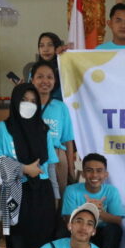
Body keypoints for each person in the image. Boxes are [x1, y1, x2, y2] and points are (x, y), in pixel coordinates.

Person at [0, 83, 60, 248]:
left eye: (33, 101)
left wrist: (56, 197)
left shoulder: (43, 129)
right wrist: (24, 169)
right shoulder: (2, 129)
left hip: (42, 194)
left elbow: (51, 167)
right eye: (24, 100)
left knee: (43, 245)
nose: (29, 104)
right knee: (18, 244)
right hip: (14, 193)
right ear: (15, 101)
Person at [60, 153, 125, 248]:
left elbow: (118, 220)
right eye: (89, 170)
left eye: (99, 171)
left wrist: (99, 212)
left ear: (105, 174)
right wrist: (88, 209)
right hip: (80, 231)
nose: (94, 175)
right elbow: (68, 219)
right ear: (83, 173)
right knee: (63, 230)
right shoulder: (71, 190)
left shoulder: (111, 191)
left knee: (114, 230)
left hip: (101, 233)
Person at [31, 60, 74, 193]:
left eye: (49, 77)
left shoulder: (61, 107)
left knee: (58, 196)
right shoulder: (26, 106)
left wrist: (71, 169)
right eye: (40, 77)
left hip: (57, 157)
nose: (45, 81)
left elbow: (68, 140)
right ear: (32, 80)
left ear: (55, 81)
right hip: (32, 157)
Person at [27, 32, 67, 100]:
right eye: (41, 46)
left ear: (57, 47)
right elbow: (31, 95)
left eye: (50, 45)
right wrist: (22, 89)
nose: (45, 49)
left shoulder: (65, 68)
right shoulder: (34, 70)